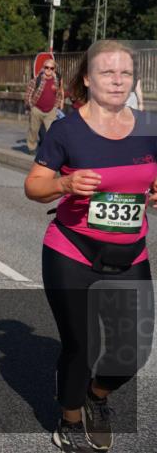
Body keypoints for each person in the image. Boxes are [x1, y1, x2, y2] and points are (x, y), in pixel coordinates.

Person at [24, 39, 156, 453]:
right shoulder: (67, 129)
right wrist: (64, 183)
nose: (117, 80)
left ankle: (96, 397)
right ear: (87, 78)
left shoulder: (150, 127)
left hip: (130, 254)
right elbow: (33, 186)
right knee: (82, 346)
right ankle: (69, 421)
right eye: (107, 72)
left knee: (131, 353)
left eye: (125, 73)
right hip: (72, 251)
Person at [25, 58, 64, 153]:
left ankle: (50, 150)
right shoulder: (36, 80)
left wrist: (56, 106)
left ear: (54, 69)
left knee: (52, 132)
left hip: (51, 111)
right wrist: (31, 106)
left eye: (51, 68)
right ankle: (31, 148)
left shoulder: (56, 81)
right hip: (37, 109)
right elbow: (28, 94)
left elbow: (59, 94)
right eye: (46, 67)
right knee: (33, 130)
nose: (49, 70)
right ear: (43, 68)